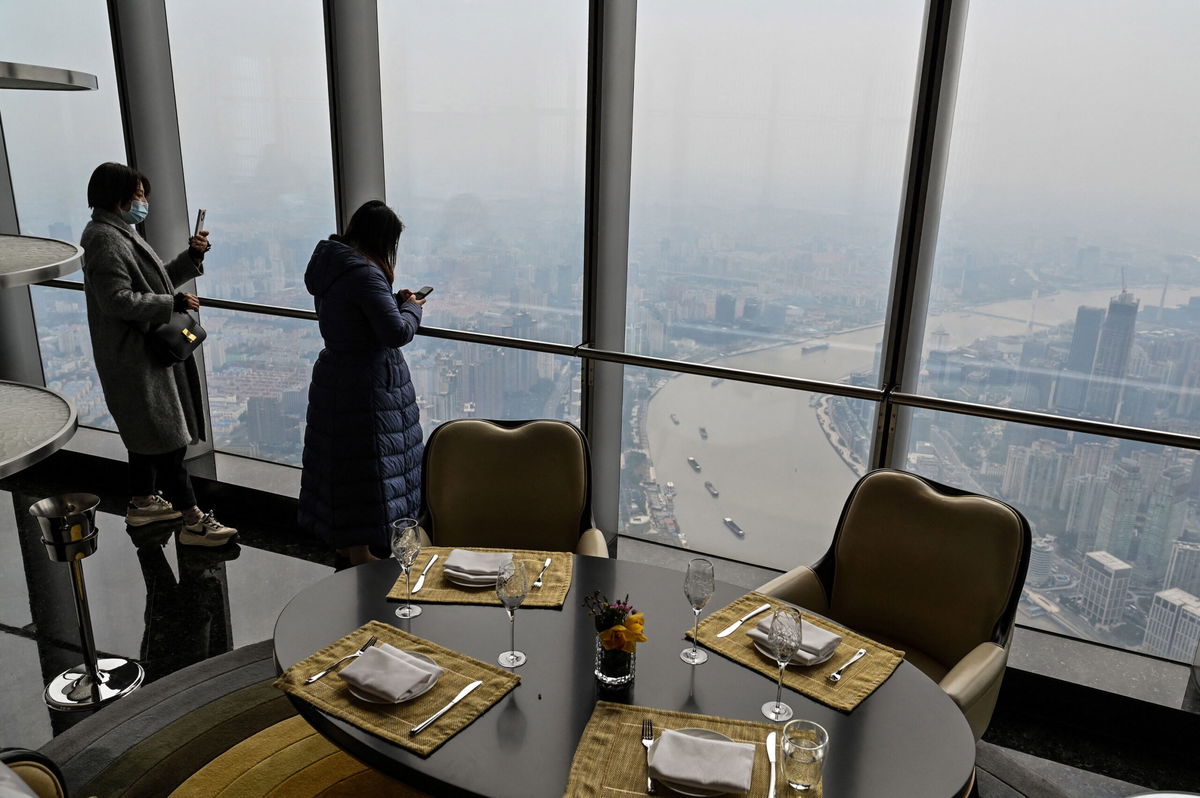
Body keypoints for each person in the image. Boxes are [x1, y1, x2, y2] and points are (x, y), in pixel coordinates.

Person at [81, 161, 236, 546]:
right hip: (134, 356)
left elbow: (153, 280)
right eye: (138, 195)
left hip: (141, 353)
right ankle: (193, 521)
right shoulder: (104, 238)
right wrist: (171, 302)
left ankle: (142, 502)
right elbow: (116, 300)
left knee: (146, 435)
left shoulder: (118, 232)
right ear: (117, 198)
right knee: (169, 441)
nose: (144, 201)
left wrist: (191, 257)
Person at [298, 200, 426, 566]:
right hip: (366, 384)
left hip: (336, 374)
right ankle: (361, 554)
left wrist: (392, 300)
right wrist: (413, 307)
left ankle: (346, 546)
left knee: (344, 465)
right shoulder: (365, 273)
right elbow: (396, 331)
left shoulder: (334, 266)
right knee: (367, 467)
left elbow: (358, 314)